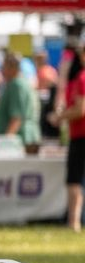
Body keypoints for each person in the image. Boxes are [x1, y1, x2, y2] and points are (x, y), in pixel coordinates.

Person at [58, 39, 85, 232]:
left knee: (74, 180)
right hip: (78, 134)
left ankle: (73, 223)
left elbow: (80, 109)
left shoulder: (82, 78)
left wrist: (59, 116)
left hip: (81, 135)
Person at [0, 51, 40, 147]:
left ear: (13, 68)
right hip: (24, 138)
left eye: (3, 68)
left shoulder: (16, 85)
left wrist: (5, 142)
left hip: (19, 140)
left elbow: (17, 117)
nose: (2, 71)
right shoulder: (22, 83)